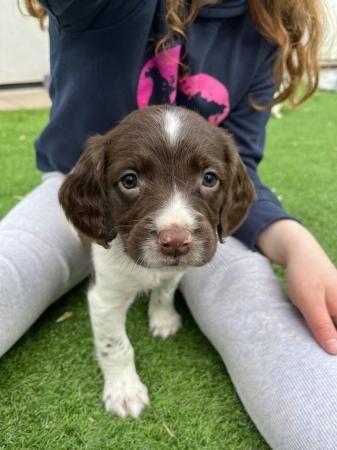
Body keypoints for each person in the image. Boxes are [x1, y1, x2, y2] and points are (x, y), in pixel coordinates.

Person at [1, 0, 337, 448]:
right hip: (80, 188)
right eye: (132, 179)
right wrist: (118, 368)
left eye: (209, 177)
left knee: (259, 309)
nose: (172, 230)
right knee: (12, 269)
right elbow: (106, 301)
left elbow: (240, 175)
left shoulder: (263, 28)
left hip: (208, 229)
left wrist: (294, 244)